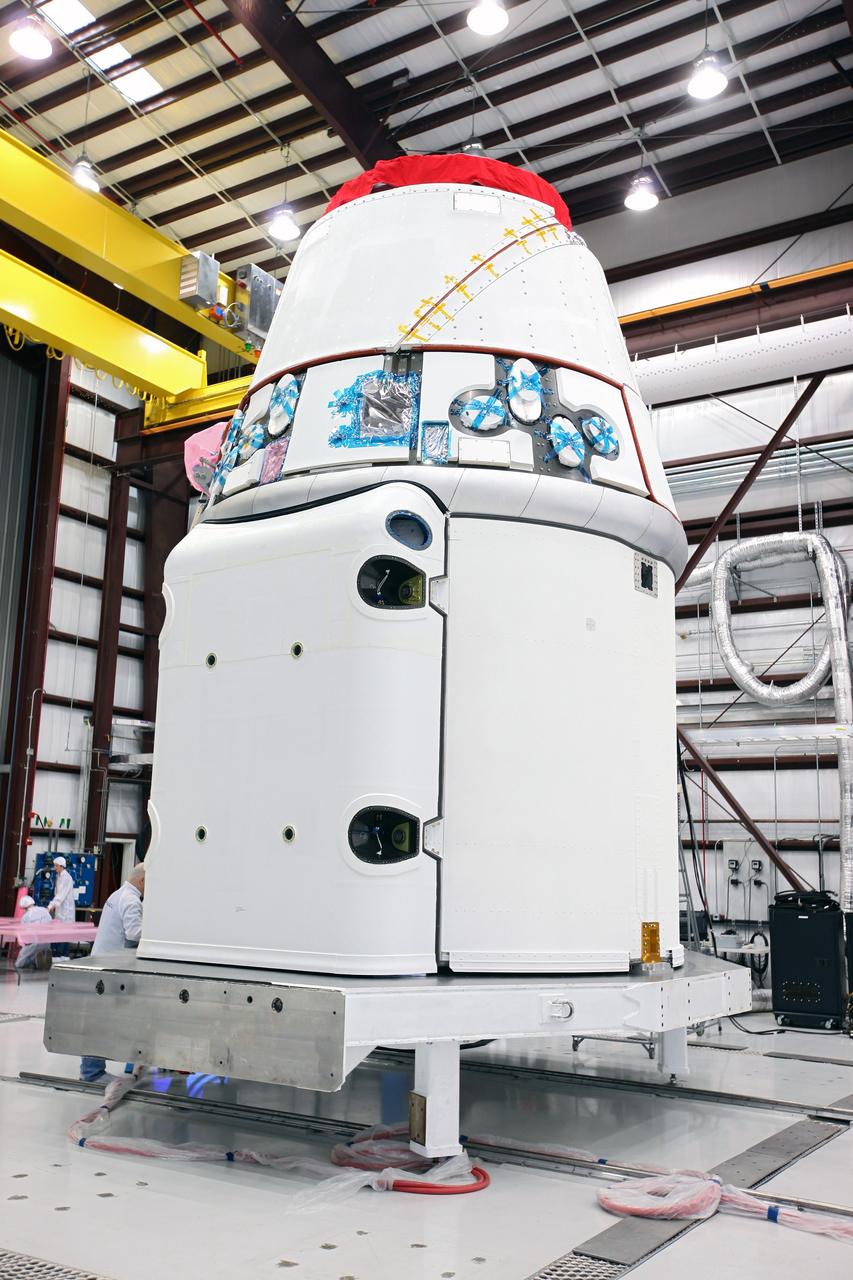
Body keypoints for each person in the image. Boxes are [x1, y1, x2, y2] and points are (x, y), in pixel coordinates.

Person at [80, 863, 146, 1086]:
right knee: (100, 1020)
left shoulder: (118, 894)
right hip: (108, 969)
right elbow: (134, 932)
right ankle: (92, 1073)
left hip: (102, 964)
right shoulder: (131, 900)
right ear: (143, 881)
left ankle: (94, 1070)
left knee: (101, 1018)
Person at [14, 895, 52, 971]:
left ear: (23, 907)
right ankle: (40, 956)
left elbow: (25, 935)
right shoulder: (44, 910)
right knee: (34, 952)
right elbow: (50, 923)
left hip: (35, 943)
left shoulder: (26, 916)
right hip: (47, 942)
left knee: (19, 963)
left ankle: (34, 961)